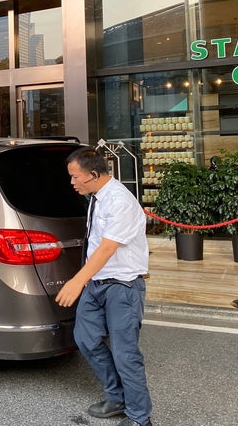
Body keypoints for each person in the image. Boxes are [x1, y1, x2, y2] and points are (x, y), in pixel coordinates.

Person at [56, 147, 152, 426]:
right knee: (85, 338)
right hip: (98, 283)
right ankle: (117, 396)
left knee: (126, 354)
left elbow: (108, 248)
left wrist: (77, 280)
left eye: (75, 177)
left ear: (94, 175)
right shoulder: (97, 197)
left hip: (122, 286)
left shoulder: (120, 201)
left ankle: (139, 417)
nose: (72, 182)